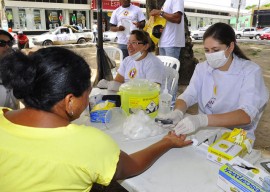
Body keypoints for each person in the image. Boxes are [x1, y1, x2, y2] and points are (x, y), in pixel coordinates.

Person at [0, 47, 192, 191]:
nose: (89, 99)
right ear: (70, 101)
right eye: (88, 92)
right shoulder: (86, 143)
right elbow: (131, 166)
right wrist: (166, 142)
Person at [158, 22, 269, 141]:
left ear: (230, 47)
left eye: (215, 50)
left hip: (235, 137)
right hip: (204, 133)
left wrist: (202, 120)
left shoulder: (250, 71)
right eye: (207, 50)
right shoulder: (202, 68)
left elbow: (246, 115)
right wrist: (178, 112)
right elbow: (189, 95)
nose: (210, 55)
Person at [97, 30, 164, 91]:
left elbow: (153, 90)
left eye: (134, 43)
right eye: (128, 42)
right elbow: (117, 82)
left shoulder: (153, 63)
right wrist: (108, 84)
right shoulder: (127, 60)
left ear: (146, 46)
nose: (129, 46)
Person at [0, 29, 18, 109]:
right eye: (2, 43)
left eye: (9, 43)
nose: (7, 47)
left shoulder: (15, 66)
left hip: (12, 119)